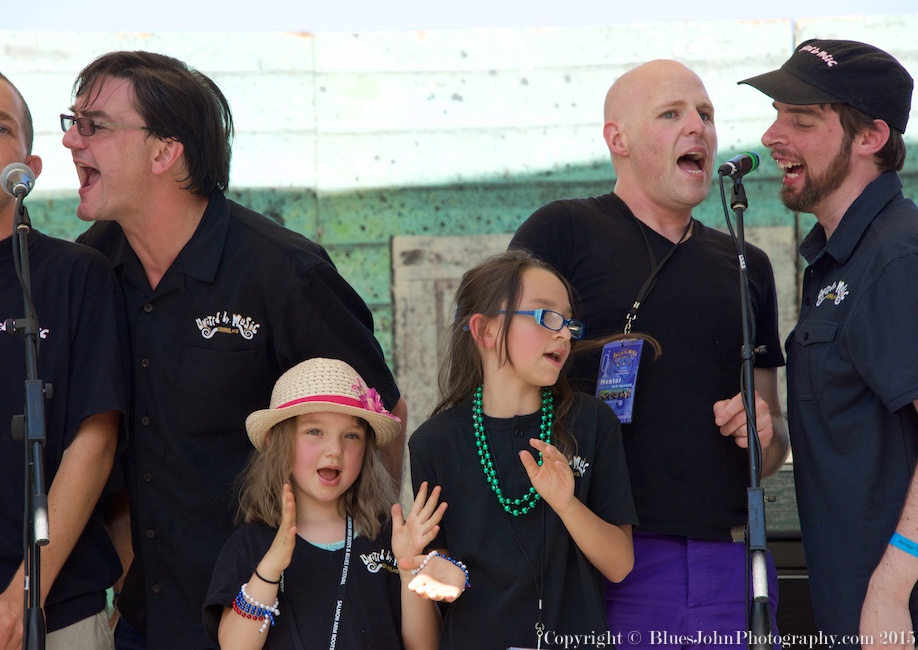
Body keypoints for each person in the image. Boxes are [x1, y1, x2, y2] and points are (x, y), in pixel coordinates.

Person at [60, 51, 406, 648]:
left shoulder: (283, 271)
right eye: (72, 120)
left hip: (285, 619)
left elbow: (383, 420)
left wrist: (359, 578)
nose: (70, 139)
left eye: (94, 125)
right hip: (151, 622)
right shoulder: (92, 267)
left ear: (165, 152)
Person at [509, 59, 789, 644]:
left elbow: (773, 440)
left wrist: (761, 429)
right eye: (671, 113)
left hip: (724, 558)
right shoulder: (561, 231)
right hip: (596, 547)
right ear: (618, 139)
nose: (699, 128)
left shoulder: (748, 265)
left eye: (706, 115)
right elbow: (501, 382)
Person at [740, 39, 918, 645]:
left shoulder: (896, 257)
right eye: (775, 114)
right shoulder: (841, 260)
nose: (771, 136)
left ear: (870, 137)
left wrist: (893, 588)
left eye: (801, 119)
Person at [0, 64, 126, 649]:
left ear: (30, 167)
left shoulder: (75, 276)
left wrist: (29, 590)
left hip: (57, 611)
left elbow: (93, 443)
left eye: (2, 129)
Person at [408, 249, 638, 649]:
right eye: (546, 315)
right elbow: (437, 561)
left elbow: (620, 564)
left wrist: (567, 504)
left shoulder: (591, 422)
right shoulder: (434, 442)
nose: (564, 333)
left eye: (569, 322)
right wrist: (438, 570)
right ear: (485, 331)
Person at [204, 357, 459, 649]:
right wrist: (270, 568)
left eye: (351, 435)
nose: (335, 450)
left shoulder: (389, 538)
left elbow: (425, 646)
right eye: (315, 431)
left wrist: (408, 568)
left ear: (366, 451)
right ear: (277, 441)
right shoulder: (249, 545)